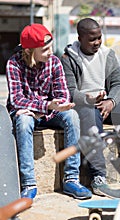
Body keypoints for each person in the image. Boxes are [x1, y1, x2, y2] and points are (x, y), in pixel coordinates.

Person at [61, 18, 120, 195]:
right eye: (92, 39)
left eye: (99, 37)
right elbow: (69, 90)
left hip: (105, 102)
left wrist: (111, 101)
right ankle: (98, 176)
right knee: (91, 117)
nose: (97, 42)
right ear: (80, 38)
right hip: (83, 106)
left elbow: (118, 84)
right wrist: (88, 99)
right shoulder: (68, 58)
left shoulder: (107, 54)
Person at [6, 23, 92, 199]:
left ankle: (71, 179)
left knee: (72, 116)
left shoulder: (54, 62)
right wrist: (45, 106)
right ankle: (29, 183)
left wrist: (45, 108)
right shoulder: (13, 64)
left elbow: (62, 96)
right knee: (23, 122)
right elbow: (16, 100)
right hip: (26, 113)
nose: (50, 52)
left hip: (45, 112)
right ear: (29, 51)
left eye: (51, 47)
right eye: (45, 49)